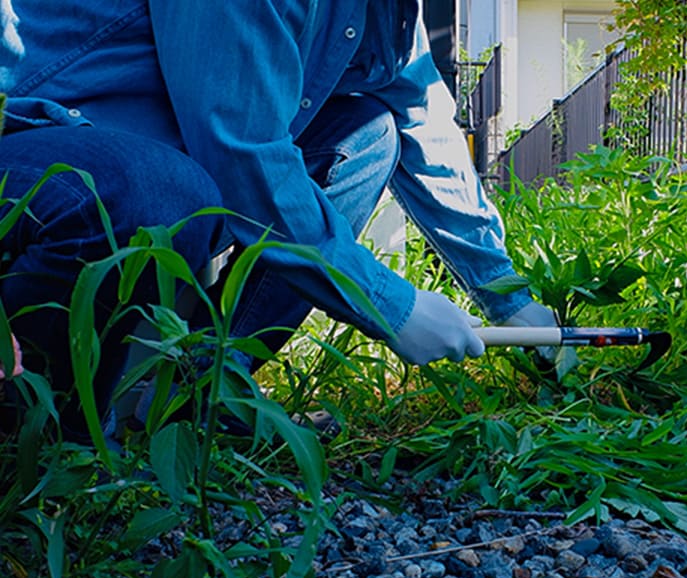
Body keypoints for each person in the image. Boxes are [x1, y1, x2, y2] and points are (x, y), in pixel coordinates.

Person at [0, 1, 559, 439]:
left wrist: (507, 296)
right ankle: (51, 436)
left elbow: (422, 116)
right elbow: (242, 151)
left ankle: (208, 387)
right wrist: (390, 305)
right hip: (41, 140)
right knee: (156, 191)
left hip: (163, 161)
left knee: (365, 133)